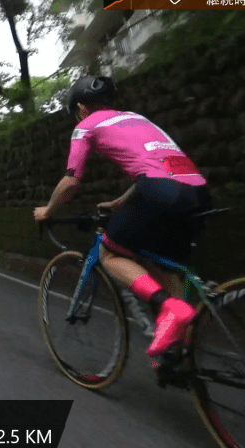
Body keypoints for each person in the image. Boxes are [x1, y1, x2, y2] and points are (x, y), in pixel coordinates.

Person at [33, 76, 212, 359]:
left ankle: (170, 309)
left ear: (81, 107)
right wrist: (120, 202)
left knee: (110, 254)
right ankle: (180, 350)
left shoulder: (85, 126)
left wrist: (47, 210)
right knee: (164, 267)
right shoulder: (137, 119)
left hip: (160, 192)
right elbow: (157, 167)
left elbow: (72, 180)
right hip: (197, 192)